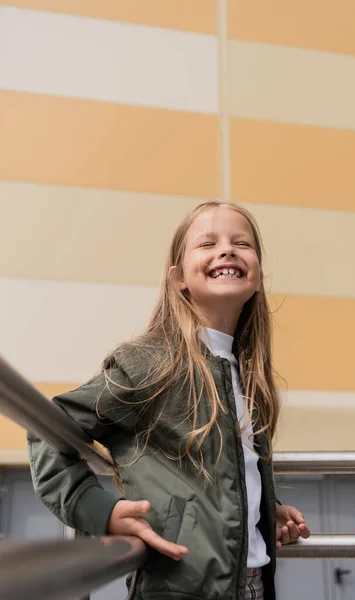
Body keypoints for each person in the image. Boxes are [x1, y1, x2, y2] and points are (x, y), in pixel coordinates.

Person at [28, 201, 310, 600]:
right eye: (207, 243)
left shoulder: (247, 375)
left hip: (253, 586)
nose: (226, 250)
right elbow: (49, 428)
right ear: (178, 278)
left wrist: (263, 511)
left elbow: (220, 477)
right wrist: (98, 509)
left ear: (259, 275)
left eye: (241, 243)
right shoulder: (150, 365)